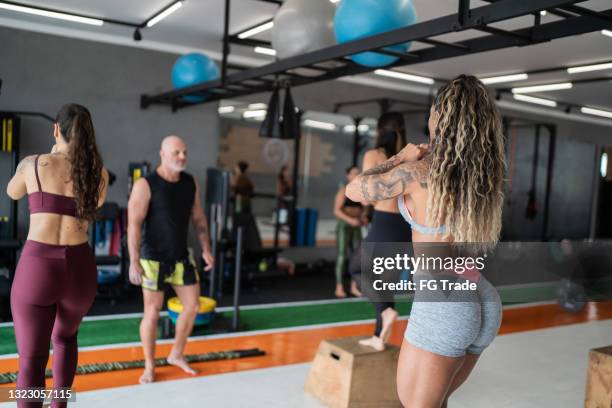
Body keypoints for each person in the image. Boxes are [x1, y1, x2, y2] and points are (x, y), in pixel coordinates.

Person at [346, 75, 505, 407]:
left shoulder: (418, 173)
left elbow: (355, 190)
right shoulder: (480, 175)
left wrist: (400, 158)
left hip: (444, 302)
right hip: (479, 294)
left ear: (439, 117)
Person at [7, 103, 109, 408]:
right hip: (80, 270)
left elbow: (12, 192)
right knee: (65, 340)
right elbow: (97, 203)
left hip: (38, 267)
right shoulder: (98, 175)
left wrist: (50, 155)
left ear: (56, 129)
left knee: (32, 358)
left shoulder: (33, 164)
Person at [128, 135, 215, 384]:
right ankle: (149, 365)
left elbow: (199, 219)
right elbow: (133, 225)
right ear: (162, 154)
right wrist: (134, 261)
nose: (182, 157)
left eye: (184, 152)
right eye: (176, 152)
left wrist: (206, 249)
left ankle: (176, 354)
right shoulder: (146, 184)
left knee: (193, 306)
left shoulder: (190, 182)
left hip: (180, 255)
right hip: (153, 257)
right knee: (152, 312)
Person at [357, 112, 413, 351]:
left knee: (356, 269)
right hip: (405, 225)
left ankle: (386, 311)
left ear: (380, 131)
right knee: (384, 283)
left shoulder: (374, 155)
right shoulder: (409, 159)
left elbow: (367, 197)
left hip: (384, 222)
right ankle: (379, 338)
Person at [333, 166, 365, 298]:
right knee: (342, 255)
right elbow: (336, 211)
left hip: (356, 225)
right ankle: (339, 287)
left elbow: (365, 208)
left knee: (357, 256)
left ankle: (354, 286)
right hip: (344, 226)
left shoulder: (360, 191)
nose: (357, 175)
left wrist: (363, 218)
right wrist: (350, 220)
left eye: (359, 173)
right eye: (354, 173)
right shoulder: (343, 191)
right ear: (348, 175)